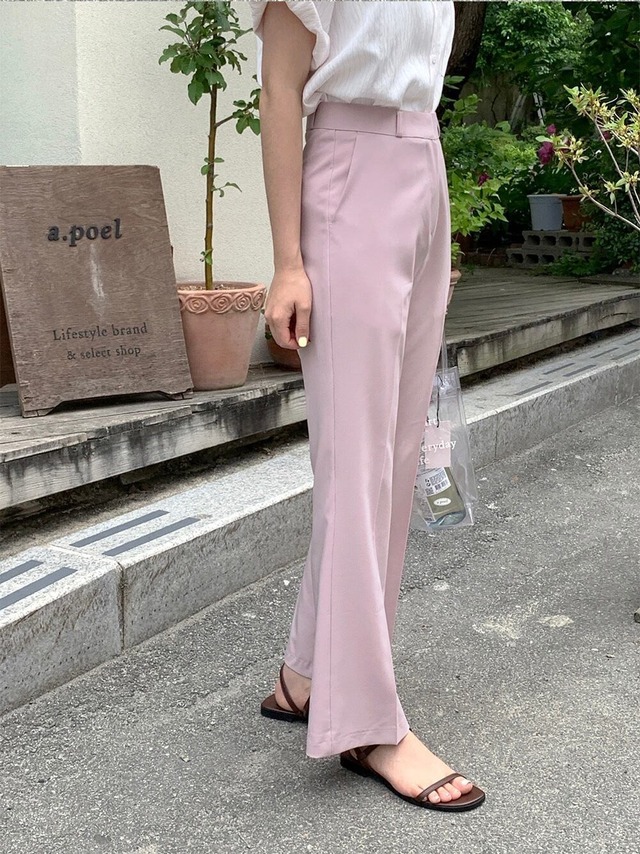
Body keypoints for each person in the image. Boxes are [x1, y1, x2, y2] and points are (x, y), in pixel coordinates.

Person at [249, 0, 485, 812]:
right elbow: (280, 90)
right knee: (357, 466)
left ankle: (307, 674)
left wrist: (429, 219)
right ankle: (366, 722)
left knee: (391, 456)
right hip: (349, 175)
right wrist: (288, 263)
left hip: (423, 171)